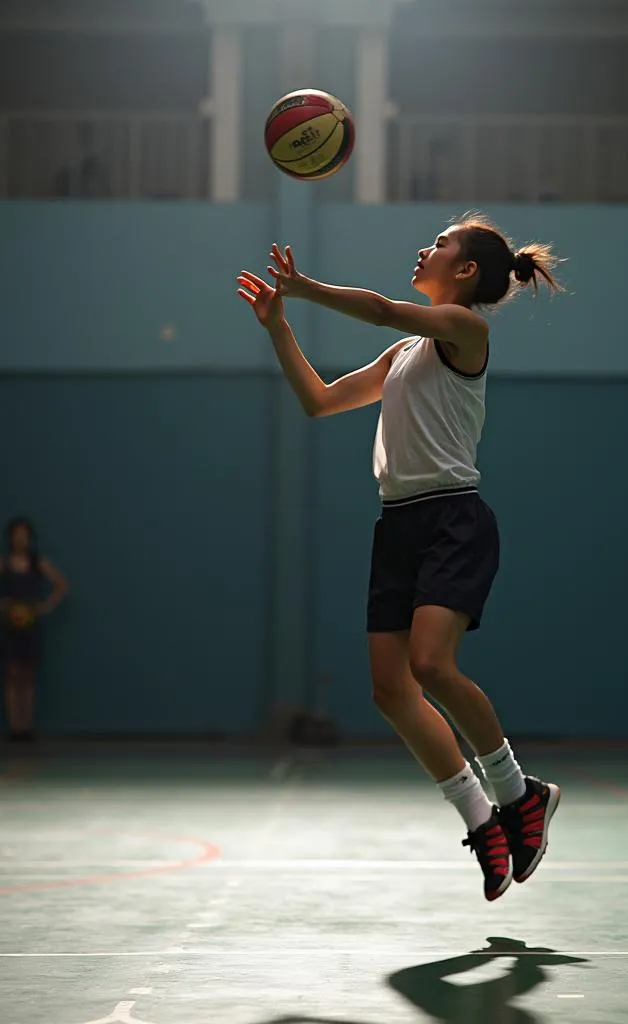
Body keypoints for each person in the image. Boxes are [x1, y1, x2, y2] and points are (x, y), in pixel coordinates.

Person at [236, 213, 565, 901]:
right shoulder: (408, 353)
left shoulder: (465, 331)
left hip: (454, 519)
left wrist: (303, 286)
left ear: (466, 271)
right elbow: (320, 402)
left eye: (440, 243)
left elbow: (384, 310)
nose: (426, 247)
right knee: (392, 691)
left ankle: (517, 791)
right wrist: (279, 327)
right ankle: (484, 820)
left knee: (430, 664)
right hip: (398, 525)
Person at [0, 518, 68, 741]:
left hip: (30, 624)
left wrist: (46, 605)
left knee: (28, 675)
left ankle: (27, 725)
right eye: (16, 534)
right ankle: (14, 726)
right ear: (10, 538)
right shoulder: (2, 563)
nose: (20, 538)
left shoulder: (38, 563)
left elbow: (62, 584)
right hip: (9, 624)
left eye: (24, 534)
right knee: (11, 674)